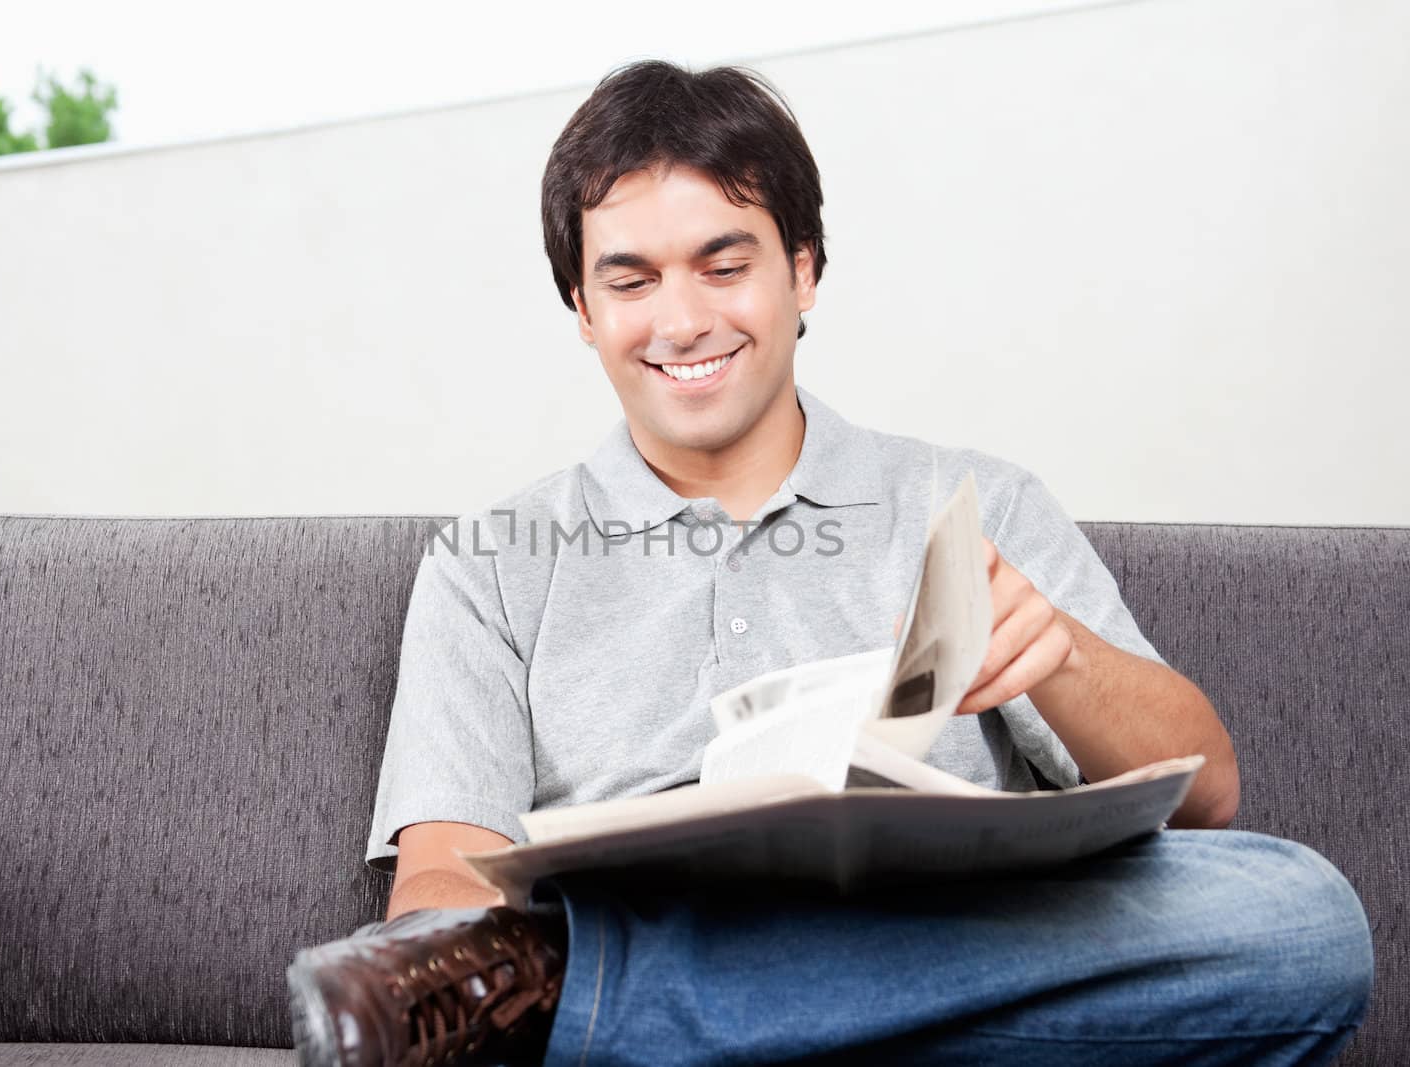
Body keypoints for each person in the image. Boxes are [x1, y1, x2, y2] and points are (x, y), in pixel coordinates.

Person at [286, 61, 1373, 1067]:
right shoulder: (488, 564)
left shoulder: (974, 501)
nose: (683, 318)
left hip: (907, 947)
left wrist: (1059, 660)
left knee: (1298, 912)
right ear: (581, 309)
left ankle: (645, 1002)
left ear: (802, 271)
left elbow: (1207, 793)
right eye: (630, 280)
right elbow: (441, 885)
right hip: (767, 963)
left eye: (726, 263)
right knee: (506, 952)